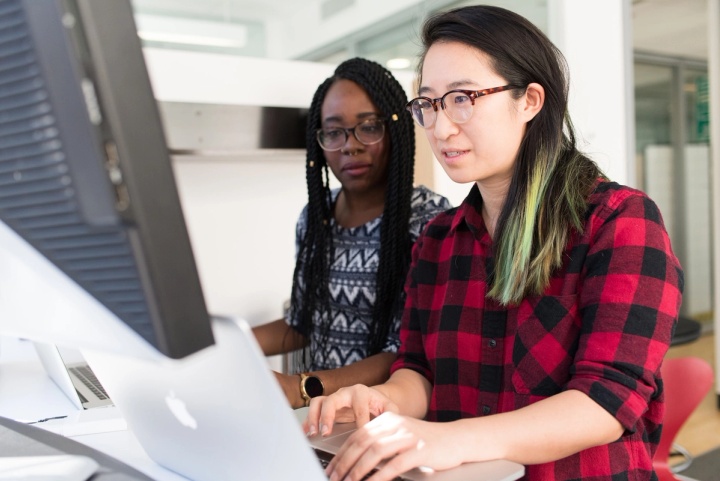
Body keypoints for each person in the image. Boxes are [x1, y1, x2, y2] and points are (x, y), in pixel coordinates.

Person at [304, 6, 684, 481]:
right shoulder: (438, 240)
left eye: (463, 98)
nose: (441, 129)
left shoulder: (618, 221)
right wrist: (384, 399)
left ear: (529, 101)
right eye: (429, 104)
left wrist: (450, 438)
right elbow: (418, 370)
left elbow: (607, 401)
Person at [253, 58, 451, 410]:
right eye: (334, 132)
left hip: (388, 419)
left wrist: (302, 388)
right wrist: (225, 344)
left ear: (395, 130)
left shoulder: (428, 221)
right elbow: (302, 322)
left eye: (369, 127)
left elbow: (407, 352)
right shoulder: (316, 218)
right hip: (323, 418)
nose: (350, 145)